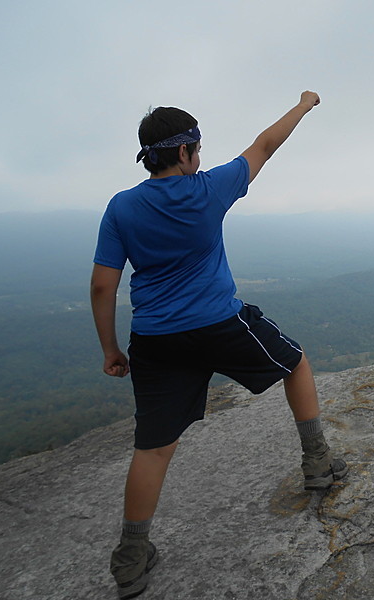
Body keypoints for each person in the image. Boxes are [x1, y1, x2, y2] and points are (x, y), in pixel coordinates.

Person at [90, 91, 347, 599]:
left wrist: (111, 350)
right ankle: (318, 464)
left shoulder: (121, 207)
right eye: (198, 148)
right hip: (219, 323)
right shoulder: (209, 190)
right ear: (184, 152)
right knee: (294, 364)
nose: (202, 157)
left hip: (156, 340)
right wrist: (304, 103)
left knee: (154, 447)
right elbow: (266, 144)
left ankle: (131, 558)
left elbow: (103, 286)